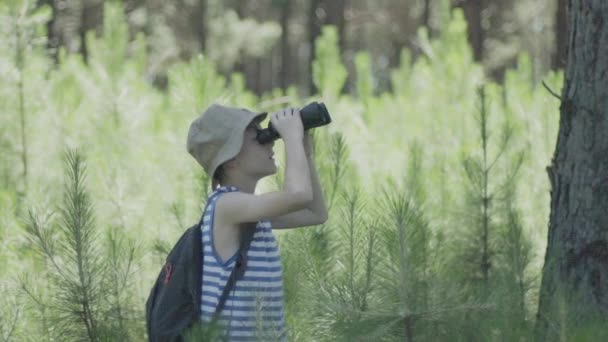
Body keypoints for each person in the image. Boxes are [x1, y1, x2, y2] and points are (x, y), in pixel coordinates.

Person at [186, 104, 328, 341]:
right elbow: (298, 195)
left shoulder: (251, 212)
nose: (271, 142)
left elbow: (315, 213)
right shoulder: (226, 206)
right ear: (231, 160)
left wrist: (304, 151)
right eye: (258, 138)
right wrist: (291, 138)